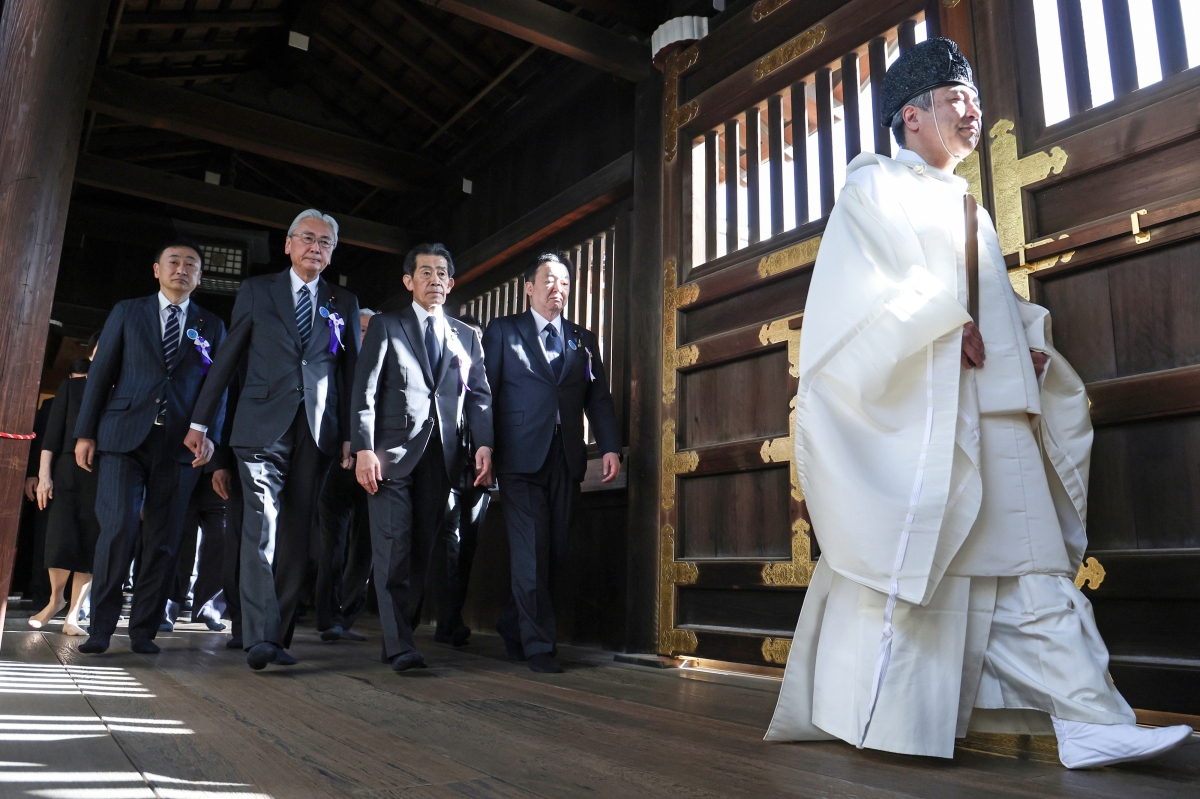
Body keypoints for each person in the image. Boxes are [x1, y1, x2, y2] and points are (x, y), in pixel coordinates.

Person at [764, 38, 1192, 769]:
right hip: (932, 414)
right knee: (950, 572)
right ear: (910, 119)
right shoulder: (875, 188)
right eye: (956, 100)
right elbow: (862, 295)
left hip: (995, 408)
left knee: (1033, 569)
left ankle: (1089, 718)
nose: (973, 112)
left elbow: (992, 302)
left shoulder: (970, 207)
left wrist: (1022, 341)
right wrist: (939, 320)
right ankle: (885, 714)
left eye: (975, 99)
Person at [187, 209, 360, 671]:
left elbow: (351, 375)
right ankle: (259, 634)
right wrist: (201, 422)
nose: (315, 248)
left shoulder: (343, 300)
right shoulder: (257, 291)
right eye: (308, 238)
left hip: (318, 431)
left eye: (325, 242)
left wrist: (352, 437)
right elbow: (227, 359)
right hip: (260, 425)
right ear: (288, 244)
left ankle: (275, 637)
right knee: (260, 523)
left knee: (298, 538)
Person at [75, 241, 227, 655]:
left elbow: (218, 387)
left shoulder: (211, 325)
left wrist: (209, 432)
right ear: (156, 269)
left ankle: (144, 630)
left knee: (163, 540)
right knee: (120, 528)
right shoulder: (128, 311)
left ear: (199, 277)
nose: (181, 269)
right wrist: (85, 433)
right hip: (123, 438)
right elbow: (101, 373)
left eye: (190, 265)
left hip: (179, 445)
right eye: (173, 262)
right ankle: (101, 629)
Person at [352, 243, 493, 673]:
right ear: (408, 281)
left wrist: (484, 444)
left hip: (443, 459)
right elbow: (365, 392)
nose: (435, 280)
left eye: (442, 274)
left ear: (451, 284)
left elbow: (480, 396)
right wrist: (362, 448)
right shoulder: (386, 326)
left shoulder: (465, 335)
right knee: (393, 548)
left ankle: (400, 634)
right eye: (425, 272)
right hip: (390, 455)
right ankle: (399, 645)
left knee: (420, 552)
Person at [482, 252, 620, 674]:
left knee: (554, 553)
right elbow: (484, 392)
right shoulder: (504, 331)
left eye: (564, 282)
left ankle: (513, 625)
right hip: (519, 458)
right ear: (528, 287)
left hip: (565, 458)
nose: (557, 288)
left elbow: (598, 398)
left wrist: (610, 446)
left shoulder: (583, 339)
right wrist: (484, 446)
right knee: (531, 553)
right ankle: (539, 645)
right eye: (548, 280)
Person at [315, 308, 377, 643]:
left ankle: (348, 614)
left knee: (365, 547)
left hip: (374, 468)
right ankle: (328, 617)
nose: (366, 334)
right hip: (336, 466)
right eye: (362, 328)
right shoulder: (335, 361)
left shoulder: (386, 365)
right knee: (333, 545)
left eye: (371, 329)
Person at [433, 314, 493, 648]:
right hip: (449, 463)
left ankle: (453, 613)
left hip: (479, 468)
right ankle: (447, 618)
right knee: (447, 542)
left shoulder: (487, 374)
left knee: (469, 543)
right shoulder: (446, 367)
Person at [29, 358, 99, 635]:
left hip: (106, 472)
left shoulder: (121, 390)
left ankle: (73, 615)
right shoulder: (71, 386)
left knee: (91, 545)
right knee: (60, 539)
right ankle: (55, 600)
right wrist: (44, 476)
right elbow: (50, 437)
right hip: (67, 470)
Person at [162, 459, 231, 633]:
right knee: (177, 540)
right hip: (180, 463)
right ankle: (166, 609)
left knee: (220, 539)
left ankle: (209, 608)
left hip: (216, 464)